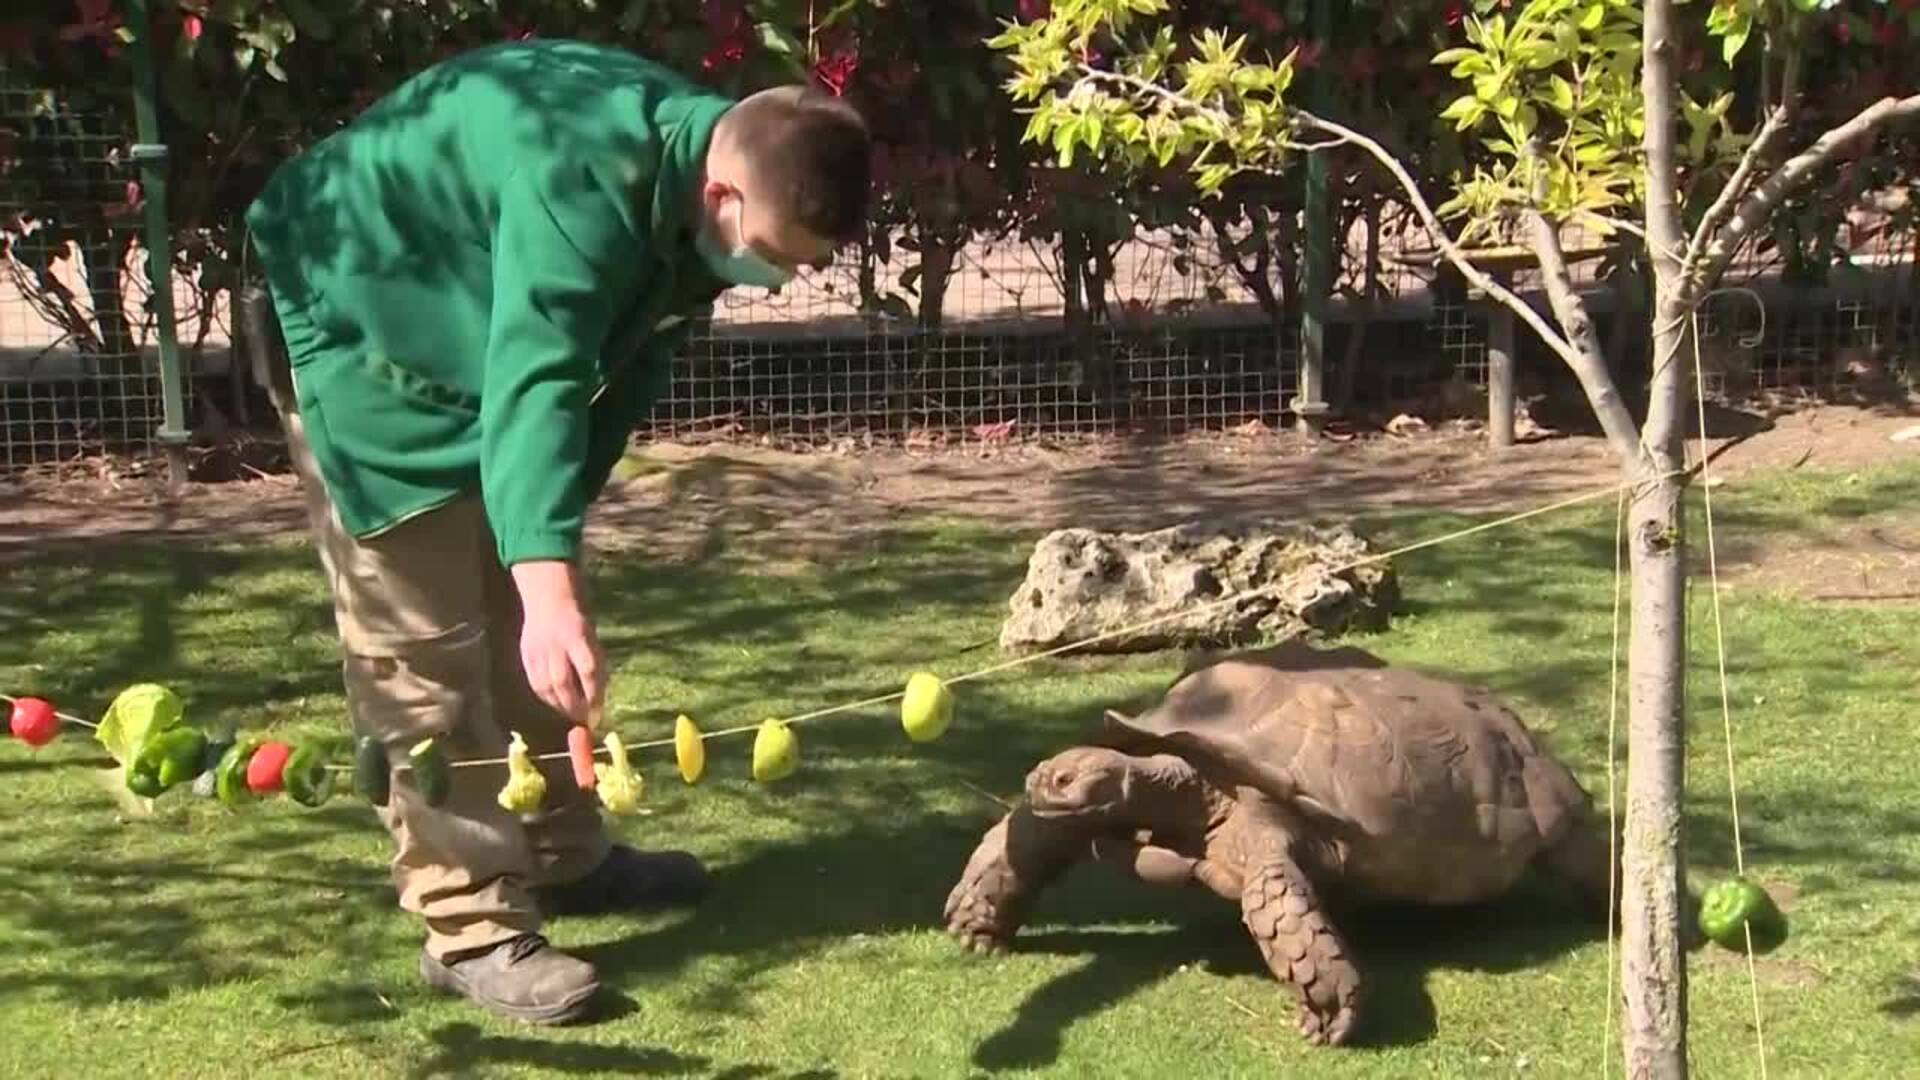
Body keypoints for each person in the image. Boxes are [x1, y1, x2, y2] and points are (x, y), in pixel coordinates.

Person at [234, 38, 872, 1025]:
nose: (781, 281)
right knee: (426, 645)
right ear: (725, 199)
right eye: (781, 258)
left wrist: (549, 546)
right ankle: (473, 928)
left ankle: (564, 856)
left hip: (470, 340)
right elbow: (540, 371)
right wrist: (547, 586)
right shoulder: (586, 173)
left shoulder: (698, 181)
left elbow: (613, 379)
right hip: (362, 328)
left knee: (536, 617)